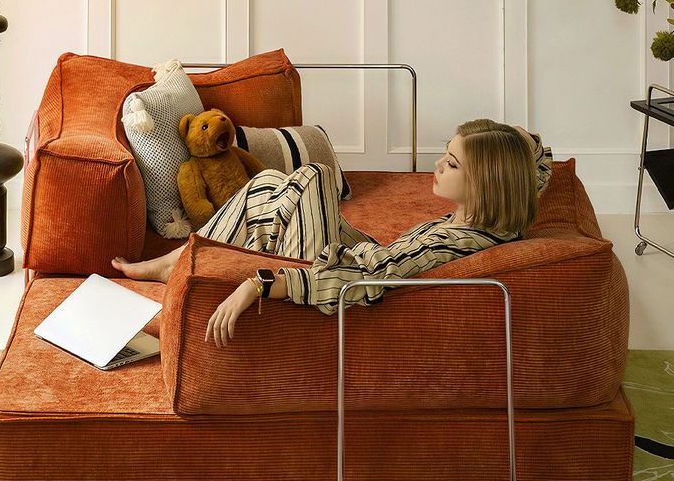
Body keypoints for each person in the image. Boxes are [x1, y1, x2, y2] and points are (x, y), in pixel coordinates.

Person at [111, 119, 553, 348]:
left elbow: (366, 283)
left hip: (340, 281)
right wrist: (501, 143)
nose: (438, 166)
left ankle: (183, 262)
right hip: (364, 254)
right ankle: (180, 261)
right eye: (445, 154)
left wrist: (260, 283)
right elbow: (539, 158)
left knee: (315, 178)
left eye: (452, 164)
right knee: (267, 186)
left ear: (489, 182)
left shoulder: (451, 243)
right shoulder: (495, 213)